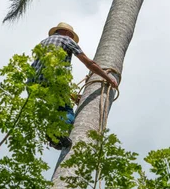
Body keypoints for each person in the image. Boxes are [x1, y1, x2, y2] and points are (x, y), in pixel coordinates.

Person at [30, 21, 118, 150]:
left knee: (57, 109)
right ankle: (55, 134)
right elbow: (89, 63)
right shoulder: (66, 40)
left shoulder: (43, 43)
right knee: (67, 112)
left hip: (34, 85)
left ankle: (54, 138)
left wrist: (71, 96)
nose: (72, 38)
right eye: (71, 35)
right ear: (67, 33)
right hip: (54, 83)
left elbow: (43, 69)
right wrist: (108, 78)